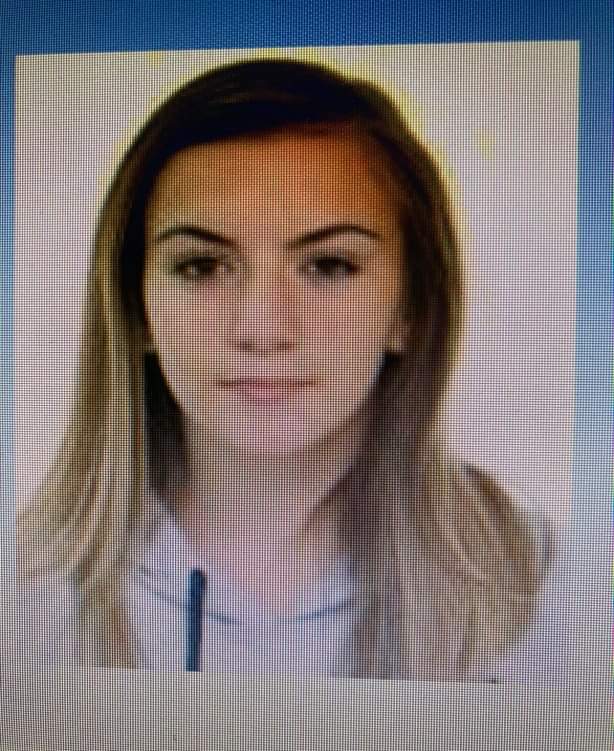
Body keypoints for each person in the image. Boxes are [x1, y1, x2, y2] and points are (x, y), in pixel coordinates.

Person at [12, 56, 559, 679]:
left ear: (410, 309)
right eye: (201, 267)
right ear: (136, 308)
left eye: (328, 266)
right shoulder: (26, 586)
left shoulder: (537, 574)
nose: (262, 330)